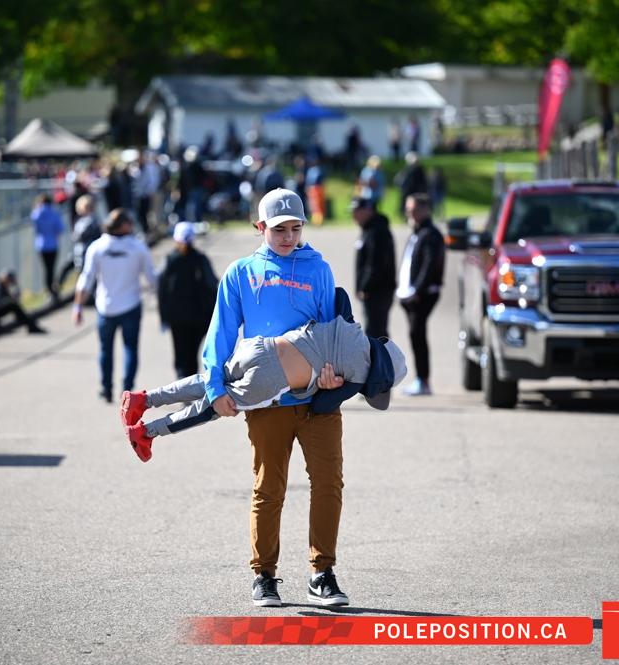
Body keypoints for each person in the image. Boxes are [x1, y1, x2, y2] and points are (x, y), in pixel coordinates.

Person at [199, 187, 350, 608]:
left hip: (318, 399)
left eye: (295, 228)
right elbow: (220, 334)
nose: (288, 237)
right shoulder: (241, 273)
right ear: (260, 227)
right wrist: (215, 388)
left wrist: (333, 373)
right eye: (279, 229)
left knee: (329, 483)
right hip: (267, 401)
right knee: (269, 487)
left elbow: (330, 330)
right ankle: (264, 575)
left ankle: (322, 573)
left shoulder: (318, 269)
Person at [120, 306, 407, 462]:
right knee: (212, 407)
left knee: (211, 382)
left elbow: (340, 294)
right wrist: (330, 387)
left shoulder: (350, 325)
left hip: (261, 346)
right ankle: (146, 432)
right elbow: (320, 407)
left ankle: (143, 399)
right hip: (271, 380)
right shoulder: (358, 377)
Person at [74, 209, 158, 402]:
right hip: (131, 305)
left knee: (105, 349)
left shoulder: (97, 247)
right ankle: (127, 390)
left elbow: (86, 278)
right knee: (130, 348)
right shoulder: (137, 247)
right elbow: (152, 277)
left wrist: (78, 306)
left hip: (105, 306)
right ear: (123, 225)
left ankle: (106, 388)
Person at [397, 194, 446, 396]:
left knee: (417, 333)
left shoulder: (431, 234)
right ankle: (420, 379)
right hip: (410, 295)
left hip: (423, 295)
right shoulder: (417, 233)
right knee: (415, 334)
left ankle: (423, 380)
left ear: (426, 210)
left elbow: (429, 265)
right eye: (408, 210)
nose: (410, 214)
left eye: (414, 210)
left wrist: (417, 291)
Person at [157, 221, 219, 378]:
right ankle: (191, 384)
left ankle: (182, 383)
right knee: (192, 354)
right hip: (200, 316)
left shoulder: (170, 259)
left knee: (181, 354)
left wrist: (163, 316)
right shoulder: (200, 259)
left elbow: (161, 290)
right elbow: (212, 284)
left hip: (177, 317)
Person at [351, 197, 396, 339]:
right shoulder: (368, 229)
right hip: (372, 292)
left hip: (378, 292)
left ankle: (381, 355)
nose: (354, 215)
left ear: (368, 211)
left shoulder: (377, 231)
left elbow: (376, 264)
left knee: (376, 333)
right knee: (373, 331)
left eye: (357, 211)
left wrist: (365, 287)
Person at [57, 194, 102, 288]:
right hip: (79, 251)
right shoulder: (82, 220)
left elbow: (80, 235)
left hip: (86, 251)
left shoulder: (92, 220)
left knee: (86, 275)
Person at [31, 194, 65, 300]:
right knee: (51, 268)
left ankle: (49, 289)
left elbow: (35, 225)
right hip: (53, 244)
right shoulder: (54, 213)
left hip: (41, 245)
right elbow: (60, 229)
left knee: (46, 269)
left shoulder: (36, 213)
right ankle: (52, 289)